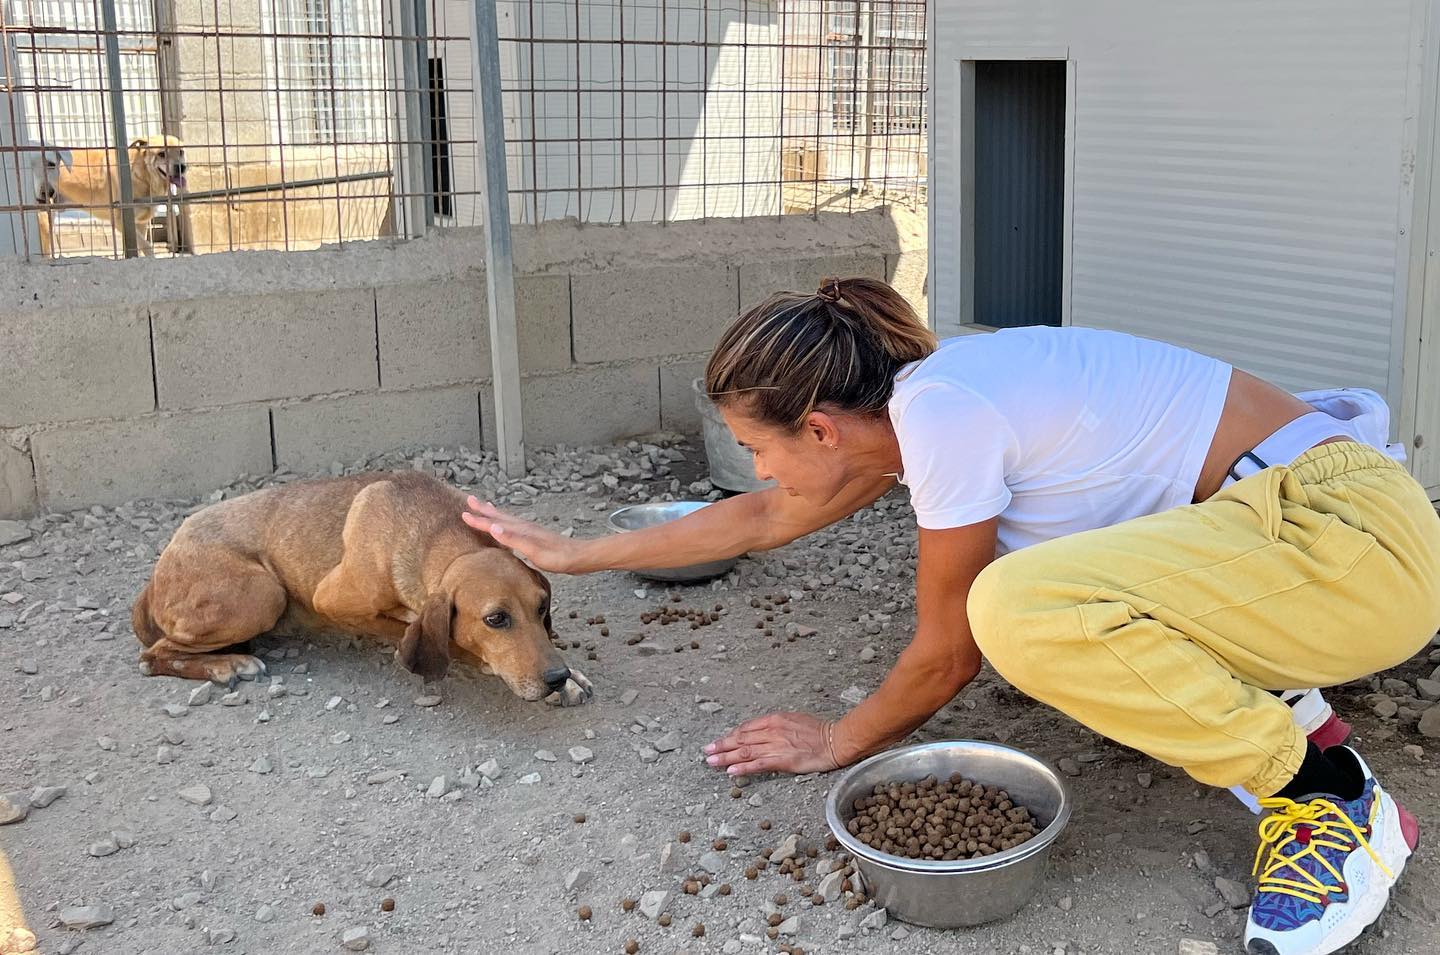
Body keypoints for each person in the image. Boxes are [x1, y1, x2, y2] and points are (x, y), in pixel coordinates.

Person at [463, 277, 1440, 955]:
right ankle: (1305, 728)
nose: (758, 470)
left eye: (754, 446)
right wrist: (573, 553)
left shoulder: (945, 417)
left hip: (1344, 546)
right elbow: (767, 513)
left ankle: (1323, 795)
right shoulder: (930, 402)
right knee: (1053, 588)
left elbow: (948, 655)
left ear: (819, 428)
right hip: (1307, 532)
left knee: (1016, 605)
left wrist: (835, 743)